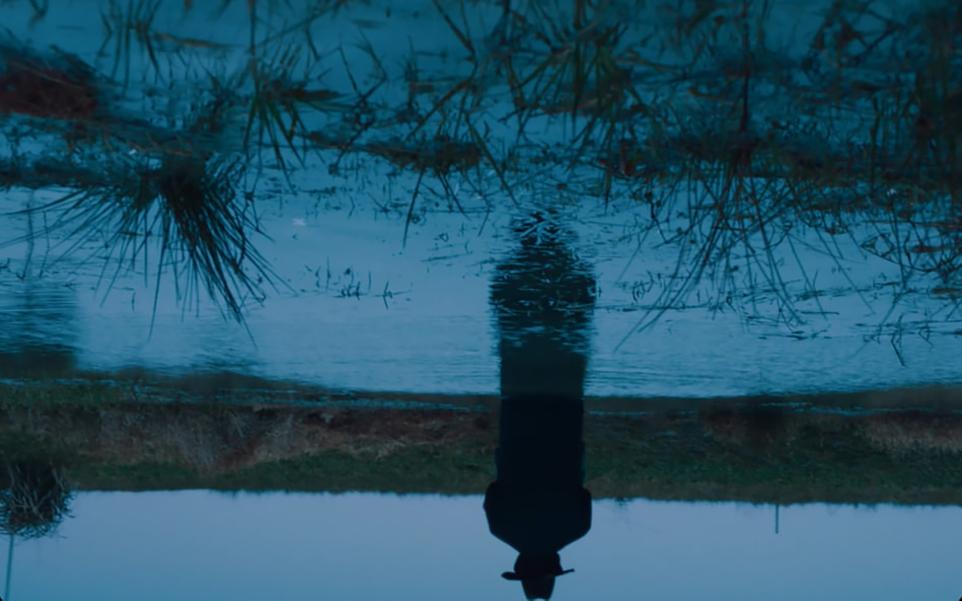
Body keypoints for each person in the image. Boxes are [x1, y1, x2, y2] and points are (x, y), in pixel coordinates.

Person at [484, 213, 596, 600]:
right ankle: (525, 253)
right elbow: (494, 488)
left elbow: (583, 492)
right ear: (520, 567)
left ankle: (563, 255)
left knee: (569, 338)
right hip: (518, 419)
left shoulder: (577, 529)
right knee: (517, 339)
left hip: (564, 419)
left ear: (553, 565)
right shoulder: (501, 528)